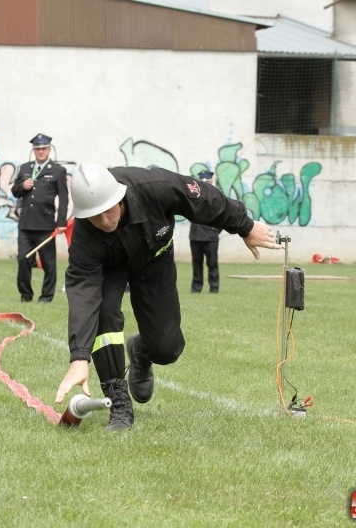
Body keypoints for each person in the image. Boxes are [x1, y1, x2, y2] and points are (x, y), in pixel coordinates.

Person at [54, 164, 283, 430]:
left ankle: (140, 351)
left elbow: (203, 200)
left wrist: (244, 225)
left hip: (154, 261)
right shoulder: (85, 232)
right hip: (110, 268)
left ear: (119, 197)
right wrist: (79, 357)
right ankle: (118, 403)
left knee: (167, 348)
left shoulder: (153, 187)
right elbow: (83, 292)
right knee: (104, 313)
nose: (105, 221)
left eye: (108, 211)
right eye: (96, 217)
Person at [10, 134, 68, 302]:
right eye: (37, 149)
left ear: (49, 149)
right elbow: (15, 191)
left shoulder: (58, 171)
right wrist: (22, 186)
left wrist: (61, 223)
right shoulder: (25, 168)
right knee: (23, 259)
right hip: (26, 224)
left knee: (49, 264)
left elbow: (63, 198)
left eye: (43, 149)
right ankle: (25, 295)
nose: (40, 152)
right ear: (33, 150)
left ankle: (46, 297)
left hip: (45, 225)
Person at [189, 170, 222, 293]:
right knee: (196, 264)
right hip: (195, 236)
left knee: (212, 264)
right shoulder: (193, 196)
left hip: (210, 237)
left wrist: (214, 231)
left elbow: (221, 216)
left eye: (208, 182)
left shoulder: (216, 196)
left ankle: (214, 288)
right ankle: (196, 288)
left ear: (211, 182)